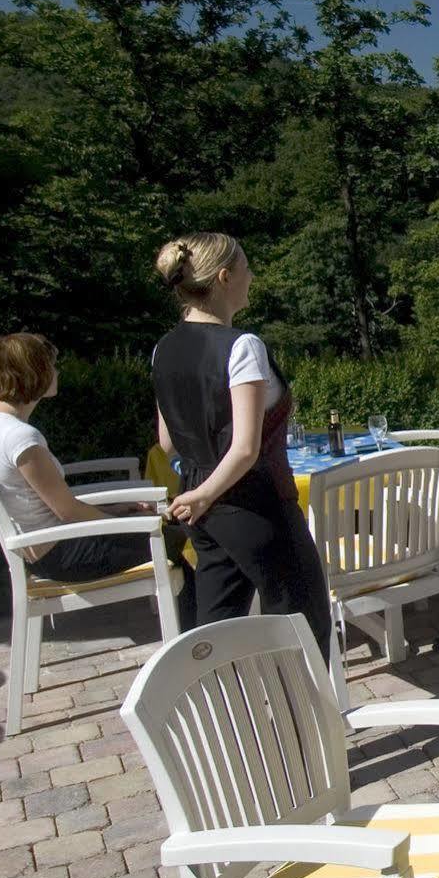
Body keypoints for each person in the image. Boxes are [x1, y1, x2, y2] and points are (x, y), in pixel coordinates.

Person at [149, 233, 332, 651]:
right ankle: (299, 717)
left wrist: (199, 495)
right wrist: (208, 493)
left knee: (218, 631)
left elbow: (167, 442)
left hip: (202, 507)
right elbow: (246, 449)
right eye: (247, 268)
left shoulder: (164, 349)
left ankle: (224, 715)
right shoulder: (242, 346)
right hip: (256, 504)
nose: (252, 277)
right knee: (303, 628)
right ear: (225, 277)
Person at [0, 333, 194, 616]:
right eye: (52, 365)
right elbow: (68, 512)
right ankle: (198, 647)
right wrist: (125, 521)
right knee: (176, 539)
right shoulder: (20, 439)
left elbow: (55, 503)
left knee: (164, 526)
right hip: (62, 555)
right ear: (33, 371)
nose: (57, 371)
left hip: (46, 548)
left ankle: (196, 642)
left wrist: (121, 509)